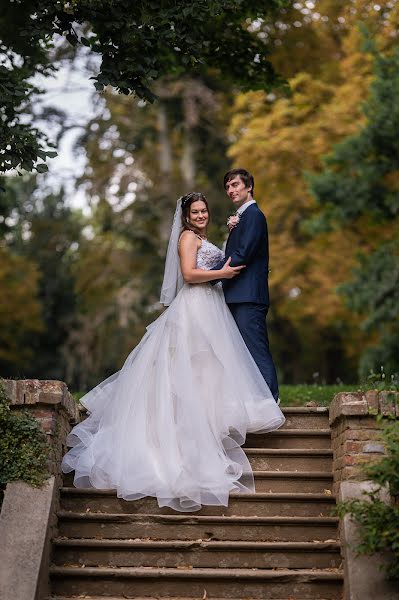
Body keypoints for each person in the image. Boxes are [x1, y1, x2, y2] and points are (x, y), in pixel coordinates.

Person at [61, 192, 285, 512]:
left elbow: (216, 265)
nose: (201, 215)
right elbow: (191, 275)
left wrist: (232, 247)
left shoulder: (201, 237)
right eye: (195, 212)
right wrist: (222, 274)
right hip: (195, 307)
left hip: (212, 306)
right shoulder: (187, 238)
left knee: (210, 370)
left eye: (204, 210)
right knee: (192, 367)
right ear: (185, 215)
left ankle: (206, 426)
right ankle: (184, 438)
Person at [211, 169, 280, 403]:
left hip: (248, 297)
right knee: (243, 353)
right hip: (238, 295)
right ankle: (254, 401)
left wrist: (209, 276)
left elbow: (242, 254)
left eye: (235, 185)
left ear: (249, 186)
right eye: (228, 187)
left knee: (256, 349)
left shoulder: (254, 216)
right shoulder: (244, 217)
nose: (231, 190)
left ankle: (270, 400)